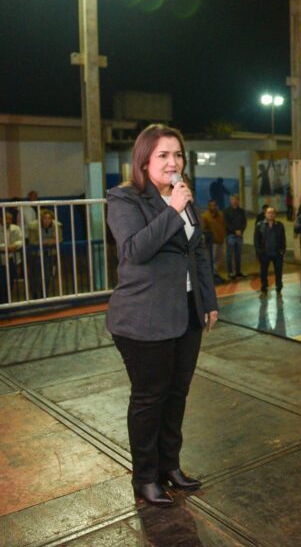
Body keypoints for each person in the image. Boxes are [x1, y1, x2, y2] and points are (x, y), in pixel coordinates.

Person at [106, 124, 218, 507]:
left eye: (178, 154)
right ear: (144, 160)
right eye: (163, 155)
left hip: (186, 313)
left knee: (177, 394)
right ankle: (145, 477)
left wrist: (209, 301)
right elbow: (136, 250)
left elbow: (197, 251)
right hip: (143, 319)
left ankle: (170, 466)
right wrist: (172, 209)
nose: (173, 162)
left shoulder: (185, 197)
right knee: (149, 398)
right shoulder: (124, 200)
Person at [27, 209, 62, 298]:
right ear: (41, 219)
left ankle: (44, 294)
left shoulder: (56, 226)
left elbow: (59, 239)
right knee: (35, 277)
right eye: (45, 218)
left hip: (48, 254)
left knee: (47, 276)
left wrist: (46, 242)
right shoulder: (34, 227)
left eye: (49, 218)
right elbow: (32, 241)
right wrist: (45, 242)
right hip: (36, 255)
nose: (47, 220)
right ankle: (35, 295)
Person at [254, 207, 286, 298]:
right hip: (265, 254)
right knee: (263, 273)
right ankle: (264, 290)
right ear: (265, 214)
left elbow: (283, 239)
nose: (270, 214)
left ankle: (279, 290)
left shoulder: (280, 225)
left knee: (278, 273)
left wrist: (282, 251)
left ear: (275, 214)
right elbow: (256, 240)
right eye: (268, 213)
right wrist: (258, 252)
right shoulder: (259, 225)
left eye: (272, 213)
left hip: (277, 254)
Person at [0, 210, 23, 303]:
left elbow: (20, 241)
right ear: (1, 219)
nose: (8, 220)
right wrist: (6, 247)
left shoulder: (16, 228)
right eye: (6, 218)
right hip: (1, 259)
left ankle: (7, 300)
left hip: (11, 259)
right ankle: (3, 301)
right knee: (2, 282)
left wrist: (14, 246)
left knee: (11, 280)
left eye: (10, 219)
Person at [201, 199, 226, 283]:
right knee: (212, 259)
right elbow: (204, 229)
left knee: (219, 259)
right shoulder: (205, 216)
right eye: (211, 205)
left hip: (220, 240)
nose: (213, 207)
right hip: (212, 243)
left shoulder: (220, 215)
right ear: (208, 206)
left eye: (214, 205)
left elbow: (223, 226)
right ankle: (212, 276)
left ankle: (215, 274)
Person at [224, 194, 246, 279]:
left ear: (238, 201)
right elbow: (226, 223)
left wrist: (241, 230)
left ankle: (238, 272)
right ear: (230, 201)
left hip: (240, 235)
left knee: (238, 255)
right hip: (230, 235)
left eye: (236, 199)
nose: (234, 201)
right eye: (233, 199)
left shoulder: (241, 211)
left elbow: (244, 222)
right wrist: (234, 231)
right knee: (230, 255)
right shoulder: (226, 211)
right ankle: (230, 272)